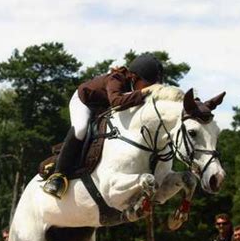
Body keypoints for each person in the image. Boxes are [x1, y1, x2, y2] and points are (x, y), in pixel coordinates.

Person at [43, 53, 164, 199]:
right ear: (134, 77)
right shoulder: (116, 79)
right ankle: (58, 175)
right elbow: (116, 101)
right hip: (84, 102)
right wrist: (143, 92)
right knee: (81, 129)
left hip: (103, 108)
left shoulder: (136, 85)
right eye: (147, 85)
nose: (149, 89)